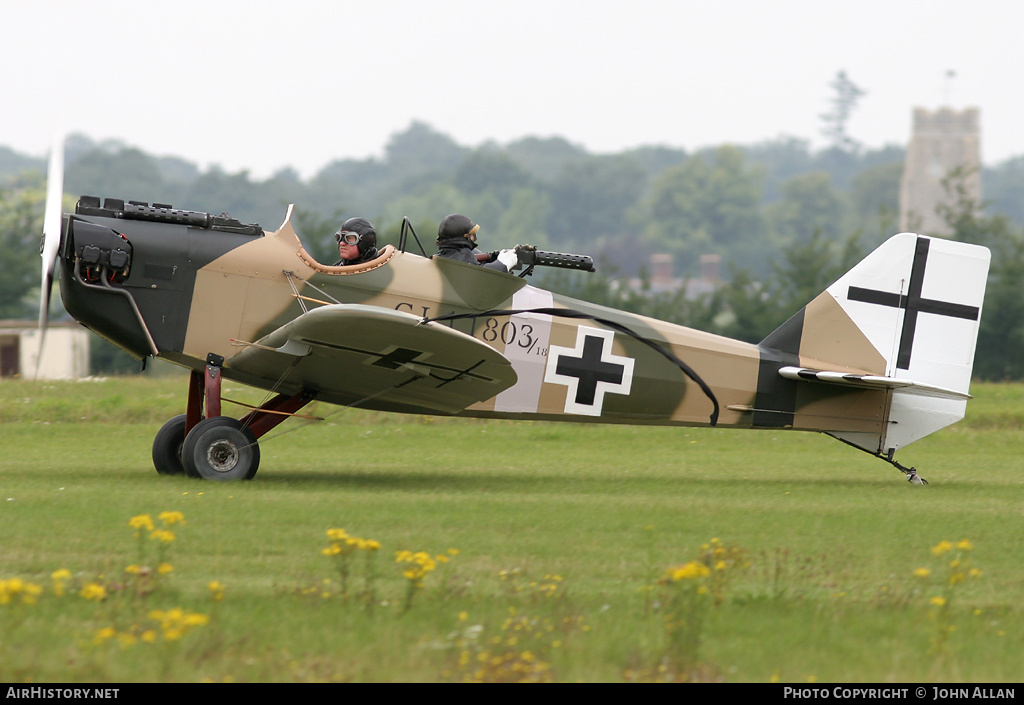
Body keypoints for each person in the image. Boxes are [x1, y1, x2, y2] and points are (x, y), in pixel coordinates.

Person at [434, 214, 518, 272]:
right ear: (464, 237)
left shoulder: (439, 260)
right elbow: (482, 276)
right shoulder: (462, 263)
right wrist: (504, 263)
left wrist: (491, 257)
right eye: (471, 235)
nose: (474, 238)